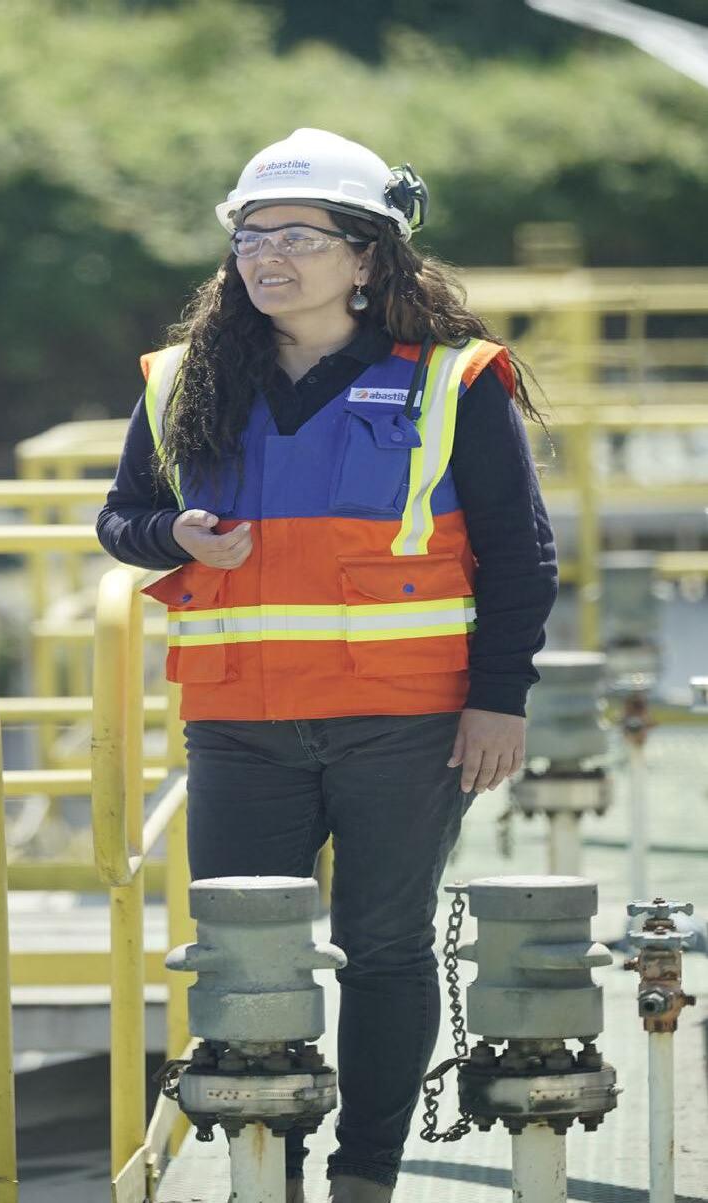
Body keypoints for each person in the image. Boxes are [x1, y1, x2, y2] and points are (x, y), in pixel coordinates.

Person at [97, 128, 557, 1203]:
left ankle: (364, 1175)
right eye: (251, 236)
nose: (268, 255)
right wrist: (171, 536)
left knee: (383, 947)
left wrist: (498, 701)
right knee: (244, 953)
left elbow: (518, 554)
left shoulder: (453, 380)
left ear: (364, 254)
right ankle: (274, 1174)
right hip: (238, 727)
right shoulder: (180, 381)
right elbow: (120, 518)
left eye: (298, 236)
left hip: (404, 723)